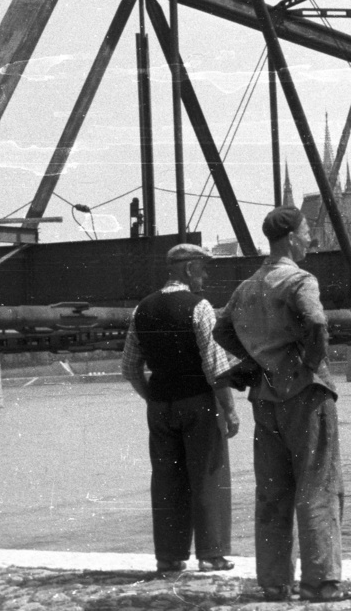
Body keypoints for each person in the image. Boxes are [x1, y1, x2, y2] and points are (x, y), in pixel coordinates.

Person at [214, 207, 343, 603]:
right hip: (305, 394)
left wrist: (255, 360)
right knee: (318, 486)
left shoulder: (248, 287)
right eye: (307, 233)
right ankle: (320, 582)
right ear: (289, 237)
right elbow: (317, 324)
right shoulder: (299, 280)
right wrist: (307, 364)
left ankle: (273, 582)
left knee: (273, 492)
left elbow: (222, 329)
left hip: (265, 397)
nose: (311, 240)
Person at [120, 243, 241, 574]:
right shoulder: (200, 307)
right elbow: (215, 365)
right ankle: (211, 555)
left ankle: (169, 557)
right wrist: (229, 410)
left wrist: (151, 397)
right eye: (203, 268)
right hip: (198, 403)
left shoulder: (141, 309)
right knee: (208, 474)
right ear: (189, 270)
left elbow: (129, 367)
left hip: (159, 406)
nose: (205, 275)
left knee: (166, 480)